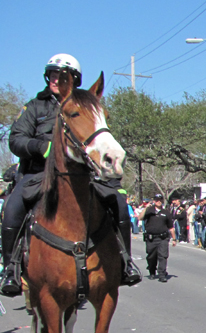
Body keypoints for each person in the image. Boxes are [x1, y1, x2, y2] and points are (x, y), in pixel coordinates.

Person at [1, 54, 141, 296]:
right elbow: (16, 139)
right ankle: (10, 269)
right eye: (53, 75)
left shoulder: (85, 106)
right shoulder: (34, 107)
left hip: (82, 175)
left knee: (117, 201)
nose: (57, 79)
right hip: (39, 173)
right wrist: (39, 148)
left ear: (74, 80)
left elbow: (97, 138)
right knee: (13, 207)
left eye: (63, 76)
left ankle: (125, 262)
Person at [139, 194, 176, 282]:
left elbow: (171, 227)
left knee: (163, 256)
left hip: (162, 238)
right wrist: (146, 208)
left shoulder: (166, 212)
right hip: (151, 238)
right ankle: (152, 271)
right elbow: (140, 218)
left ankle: (162, 274)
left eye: (160, 200)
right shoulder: (149, 211)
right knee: (151, 256)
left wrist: (174, 239)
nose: (158, 201)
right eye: (156, 200)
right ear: (154, 201)